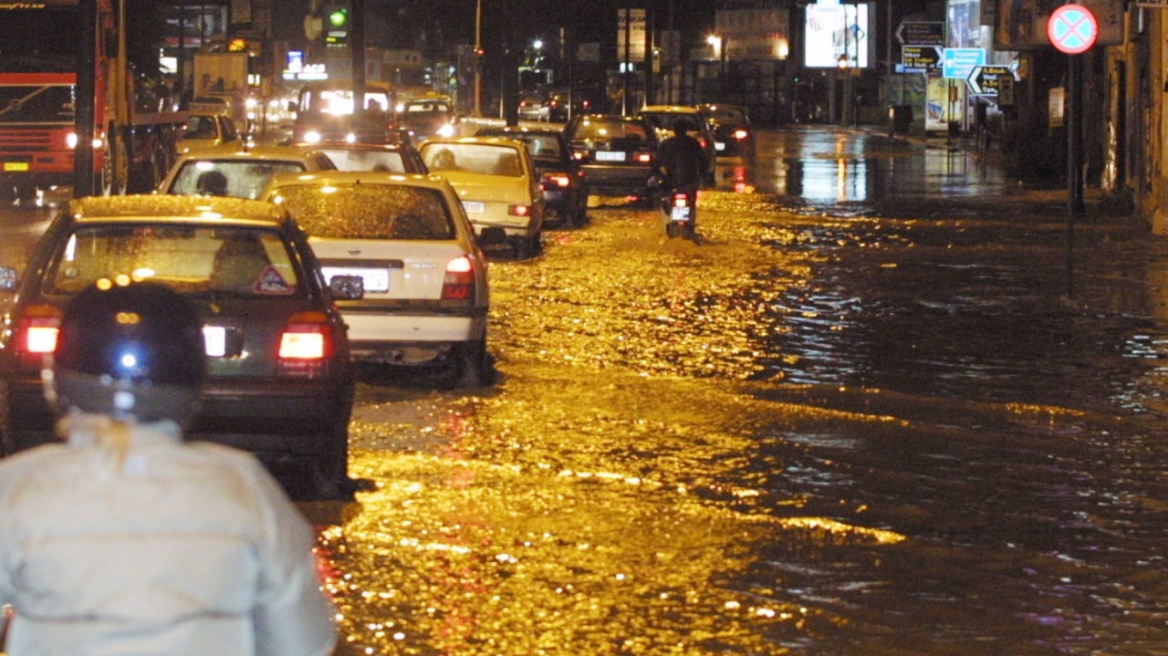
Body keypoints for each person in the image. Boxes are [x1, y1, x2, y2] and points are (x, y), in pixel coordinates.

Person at [0, 280, 337, 656]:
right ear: (194, 383)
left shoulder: (16, 487)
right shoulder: (243, 484)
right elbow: (304, 643)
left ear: (57, 381)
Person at [652, 118, 706, 194]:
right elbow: (702, 159)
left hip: (674, 178)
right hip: (687, 178)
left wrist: (655, 170)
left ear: (674, 129)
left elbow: (658, 161)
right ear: (686, 129)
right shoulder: (693, 143)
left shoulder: (667, 143)